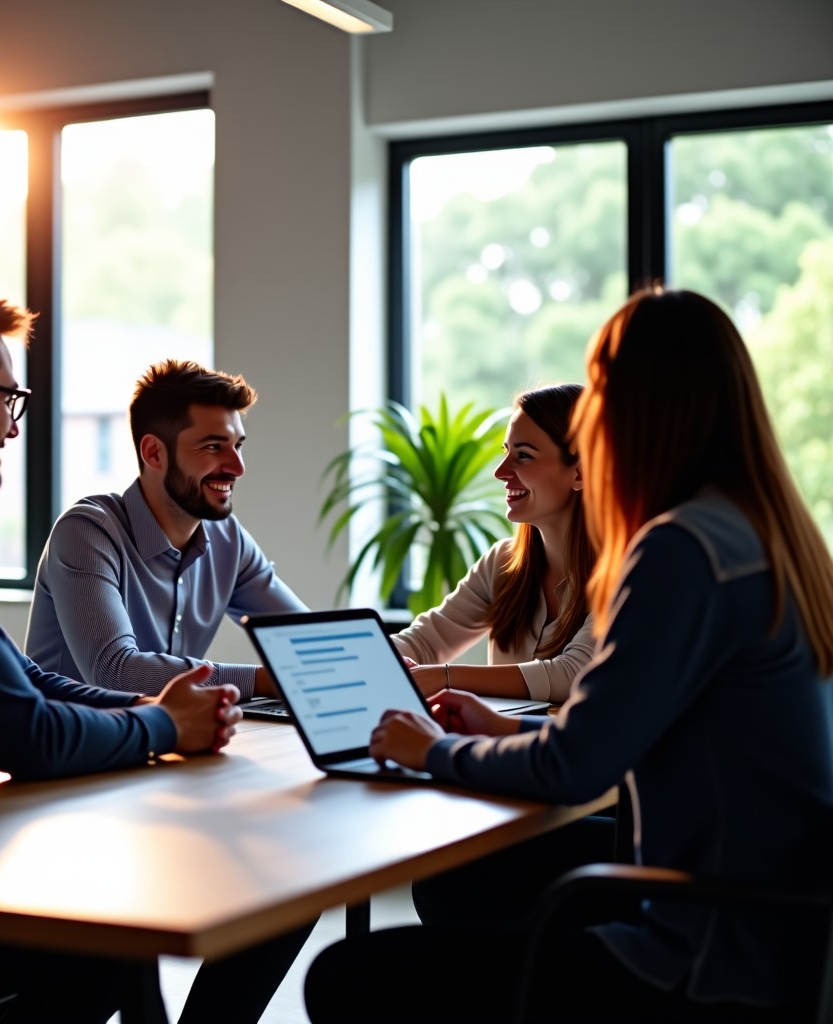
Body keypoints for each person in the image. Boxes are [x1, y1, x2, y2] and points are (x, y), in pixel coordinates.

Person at [303, 286, 833, 1023]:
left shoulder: (681, 549)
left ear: (643, 410)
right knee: (462, 885)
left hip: (699, 952)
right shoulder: (766, 534)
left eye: (603, 396)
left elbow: (575, 767)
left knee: (346, 978)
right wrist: (499, 730)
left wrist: (432, 751)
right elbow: (625, 737)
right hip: (780, 936)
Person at [0, 283, 293, 1024]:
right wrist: (164, 728)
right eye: (10, 398)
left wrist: (150, 710)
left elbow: (10, 672)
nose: (12, 423)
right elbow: (26, 735)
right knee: (114, 927)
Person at [25, 357, 307, 702]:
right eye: (213, 447)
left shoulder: (226, 539)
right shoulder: (87, 532)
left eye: (238, 446)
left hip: (162, 744)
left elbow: (306, 639)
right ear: (154, 453)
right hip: (72, 748)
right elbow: (114, 671)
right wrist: (262, 680)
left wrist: (388, 647)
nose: (238, 467)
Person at [391, 382, 596, 705]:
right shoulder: (502, 563)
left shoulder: (627, 570)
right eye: (505, 452)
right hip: (496, 750)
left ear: (580, 472)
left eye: (524, 456)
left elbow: (574, 675)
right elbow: (424, 643)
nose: (501, 472)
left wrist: (445, 677)